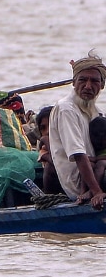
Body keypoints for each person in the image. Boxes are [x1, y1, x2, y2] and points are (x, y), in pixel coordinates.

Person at [48, 53, 106, 208]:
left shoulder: (97, 112)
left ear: (102, 85)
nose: (88, 86)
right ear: (74, 82)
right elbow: (79, 155)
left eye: (94, 81)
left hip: (97, 171)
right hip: (80, 185)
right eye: (82, 80)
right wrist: (97, 192)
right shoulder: (66, 109)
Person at [34, 105, 61, 195]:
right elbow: (56, 162)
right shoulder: (44, 149)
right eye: (43, 128)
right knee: (49, 167)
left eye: (51, 126)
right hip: (57, 191)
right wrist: (46, 141)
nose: (47, 132)